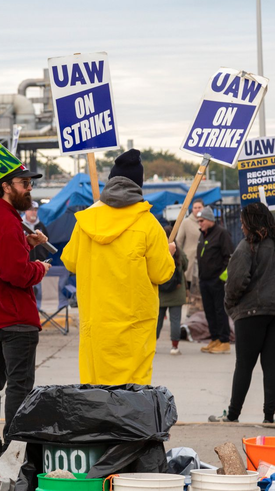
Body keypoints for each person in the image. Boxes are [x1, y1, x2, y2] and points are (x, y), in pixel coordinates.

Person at [63, 149, 176, 385]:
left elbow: (70, 262)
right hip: (134, 329)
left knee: (96, 392)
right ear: (139, 185)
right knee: (131, 397)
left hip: (96, 327)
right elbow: (162, 274)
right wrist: (167, 253)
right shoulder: (148, 224)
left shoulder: (85, 221)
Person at [0, 167, 50, 467]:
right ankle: (12, 450)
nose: (29, 189)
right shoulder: (5, 219)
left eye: (30, 184)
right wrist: (39, 268)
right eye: (24, 184)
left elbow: (1, 257)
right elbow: (15, 272)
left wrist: (25, 246)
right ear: (6, 186)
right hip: (15, 317)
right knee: (19, 385)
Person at [209, 202, 275, 424]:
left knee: (244, 364)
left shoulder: (247, 246)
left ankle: (233, 414)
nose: (242, 227)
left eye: (244, 223)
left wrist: (231, 307)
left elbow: (235, 282)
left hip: (251, 312)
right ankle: (269, 417)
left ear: (249, 223)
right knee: (273, 364)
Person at [196, 206, 234, 354]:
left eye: (202, 220)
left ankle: (224, 341)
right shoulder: (203, 235)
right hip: (204, 280)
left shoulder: (222, 234)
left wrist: (221, 279)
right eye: (198, 221)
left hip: (217, 281)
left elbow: (229, 258)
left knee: (220, 311)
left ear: (210, 220)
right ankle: (215, 338)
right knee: (209, 311)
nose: (199, 223)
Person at [157, 224, 188, 355]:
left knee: (157, 320)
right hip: (177, 291)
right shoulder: (179, 251)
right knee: (175, 320)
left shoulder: (158, 250)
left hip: (161, 292)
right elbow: (185, 266)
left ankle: (152, 345)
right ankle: (174, 347)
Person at [176, 198, 204, 314]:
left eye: (199, 207)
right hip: (190, 262)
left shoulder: (206, 221)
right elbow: (178, 242)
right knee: (191, 293)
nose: (197, 210)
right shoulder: (186, 222)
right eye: (195, 207)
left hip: (203, 262)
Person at [23, 201, 50, 309]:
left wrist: (43, 258)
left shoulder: (41, 226)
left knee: (36, 291)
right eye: (31, 209)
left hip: (39, 263)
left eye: (35, 210)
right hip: (24, 263)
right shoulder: (20, 225)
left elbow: (47, 243)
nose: (33, 212)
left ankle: (34, 308)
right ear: (26, 211)